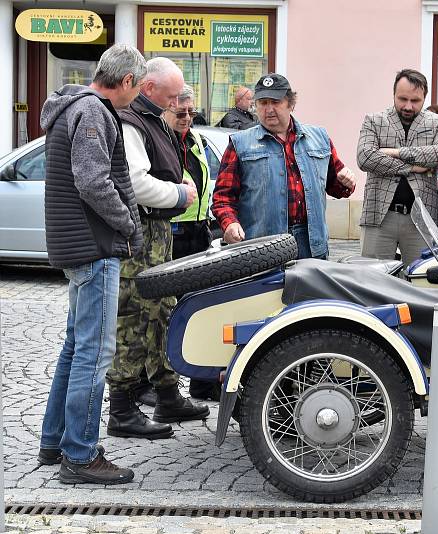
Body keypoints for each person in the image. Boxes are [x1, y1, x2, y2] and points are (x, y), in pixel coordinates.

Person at [38, 44, 146, 484]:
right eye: (137, 87)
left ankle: (54, 439)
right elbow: (93, 181)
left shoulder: (70, 108)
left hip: (76, 246)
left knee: (74, 346)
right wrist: (127, 225)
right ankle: (80, 456)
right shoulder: (95, 112)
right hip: (95, 247)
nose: (137, 96)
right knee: (94, 353)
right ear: (125, 82)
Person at [106, 57, 210, 440]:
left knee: (162, 313)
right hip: (141, 234)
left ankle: (167, 393)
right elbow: (134, 183)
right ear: (148, 89)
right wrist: (178, 193)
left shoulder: (152, 119)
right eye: (171, 95)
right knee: (134, 317)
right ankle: (121, 409)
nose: (176, 102)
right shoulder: (132, 121)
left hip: (158, 232)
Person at [212, 73, 356, 259]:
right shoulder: (241, 143)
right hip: (262, 247)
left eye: (275, 102)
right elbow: (222, 197)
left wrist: (347, 181)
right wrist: (230, 223)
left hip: (311, 245)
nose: (269, 109)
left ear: (291, 104)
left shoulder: (319, 138)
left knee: (310, 290)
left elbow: (336, 187)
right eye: (263, 103)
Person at [357, 69, 438, 265]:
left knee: (421, 283)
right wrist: (410, 168)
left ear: (425, 98)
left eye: (415, 101)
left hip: (421, 220)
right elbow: (365, 157)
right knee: (373, 283)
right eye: (402, 99)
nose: (408, 106)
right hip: (379, 216)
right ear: (393, 94)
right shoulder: (374, 121)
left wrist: (396, 152)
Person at [163, 84, 220, 401]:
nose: (187, 118)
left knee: (201, 306)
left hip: (199, 231)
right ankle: (161, 386)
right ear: (167, 110)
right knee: (167, 312)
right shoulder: (160, 140)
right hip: (172, 234)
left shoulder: (195, 139)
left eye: (190, 112)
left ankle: (200, 381)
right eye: (180, 112)